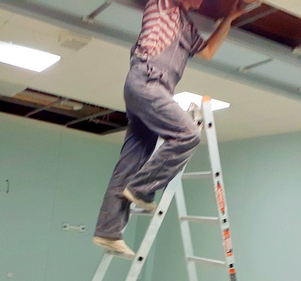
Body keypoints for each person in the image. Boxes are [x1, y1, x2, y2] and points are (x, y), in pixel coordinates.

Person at [92, 0, 257, 258]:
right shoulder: (162, 6)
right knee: (188, 134)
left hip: (154, 89)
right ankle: (141, 189)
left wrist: (229, 18)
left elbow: (208, 51)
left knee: (131, 162)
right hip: (147, 80)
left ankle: (108, 231)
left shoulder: (188, 28)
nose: (200, 2)